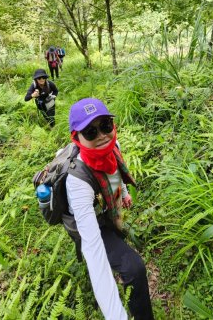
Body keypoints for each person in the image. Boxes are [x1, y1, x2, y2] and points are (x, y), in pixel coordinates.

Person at [65, 98, 154, 320]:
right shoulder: (77, 182)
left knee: (117, 239)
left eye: (105, 125)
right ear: (76, 138)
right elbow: (94, 252)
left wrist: (123, 193)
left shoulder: (114, 147)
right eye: (90, 131)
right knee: (133, 268)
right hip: (91, 221)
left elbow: (116, 174)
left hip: (107, 208)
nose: (102, 135)